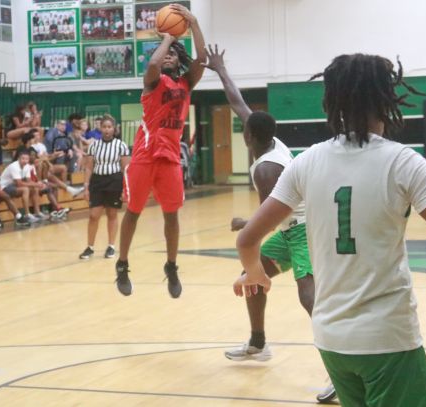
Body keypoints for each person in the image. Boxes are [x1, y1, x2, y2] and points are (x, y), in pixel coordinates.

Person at [233, 53, 426, 407]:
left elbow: (247, 239)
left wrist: (254, 272)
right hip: (387, 340)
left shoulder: (305, 162)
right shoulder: (403, 162)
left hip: (332, 341)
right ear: (386, 99)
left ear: (332, 101)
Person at [204, 45, 336, 403]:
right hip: (290, 227)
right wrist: (220, 70)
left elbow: (269, 216)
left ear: (248, 136)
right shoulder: (269, 140)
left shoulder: (266, 168)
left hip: (303, 230)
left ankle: (340, 369)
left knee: (308, 296)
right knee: (252, 274)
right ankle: (258, 343)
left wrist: (245, 222)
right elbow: (237, 102)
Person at [115, 4, 206, 298]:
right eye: (164, 52)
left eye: (172, 54)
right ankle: (122, 264)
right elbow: (153, 65)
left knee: (171, 216)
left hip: (170, 159)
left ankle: (171, 266)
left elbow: (202, 59)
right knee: (133, 212)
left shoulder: (185, 83)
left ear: (178, 60)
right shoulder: (153, 81)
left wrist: (193, 24)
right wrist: (167, 37)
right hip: (144, 156)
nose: (166, 56)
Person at [80, 114, 129, 260]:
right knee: (93, 215)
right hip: (97, 181)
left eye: (109, 127)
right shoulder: (94, 145)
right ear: (100, 128)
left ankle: (111, 246)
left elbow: (125, 169)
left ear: (114, 129)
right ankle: (90, 247)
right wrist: (86, 187)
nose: (107, 129)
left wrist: (125, 188)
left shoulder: (121, 145)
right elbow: (89, 167)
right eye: (104, 127)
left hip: (114, 181)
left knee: (112, 214)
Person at [0, 148, 47, 224]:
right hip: (4, 187)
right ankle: (27, 214)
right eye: (23, 159)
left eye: (27, 159)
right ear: (18, 158)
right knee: (25, 189)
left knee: (34, 188)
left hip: (14, 186)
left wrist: (38, 184)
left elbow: (29, 181)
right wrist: (36, 184)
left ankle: (37, 212)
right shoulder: (14, 166)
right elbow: (19, 183)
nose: (25, 161)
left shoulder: (27, 166)